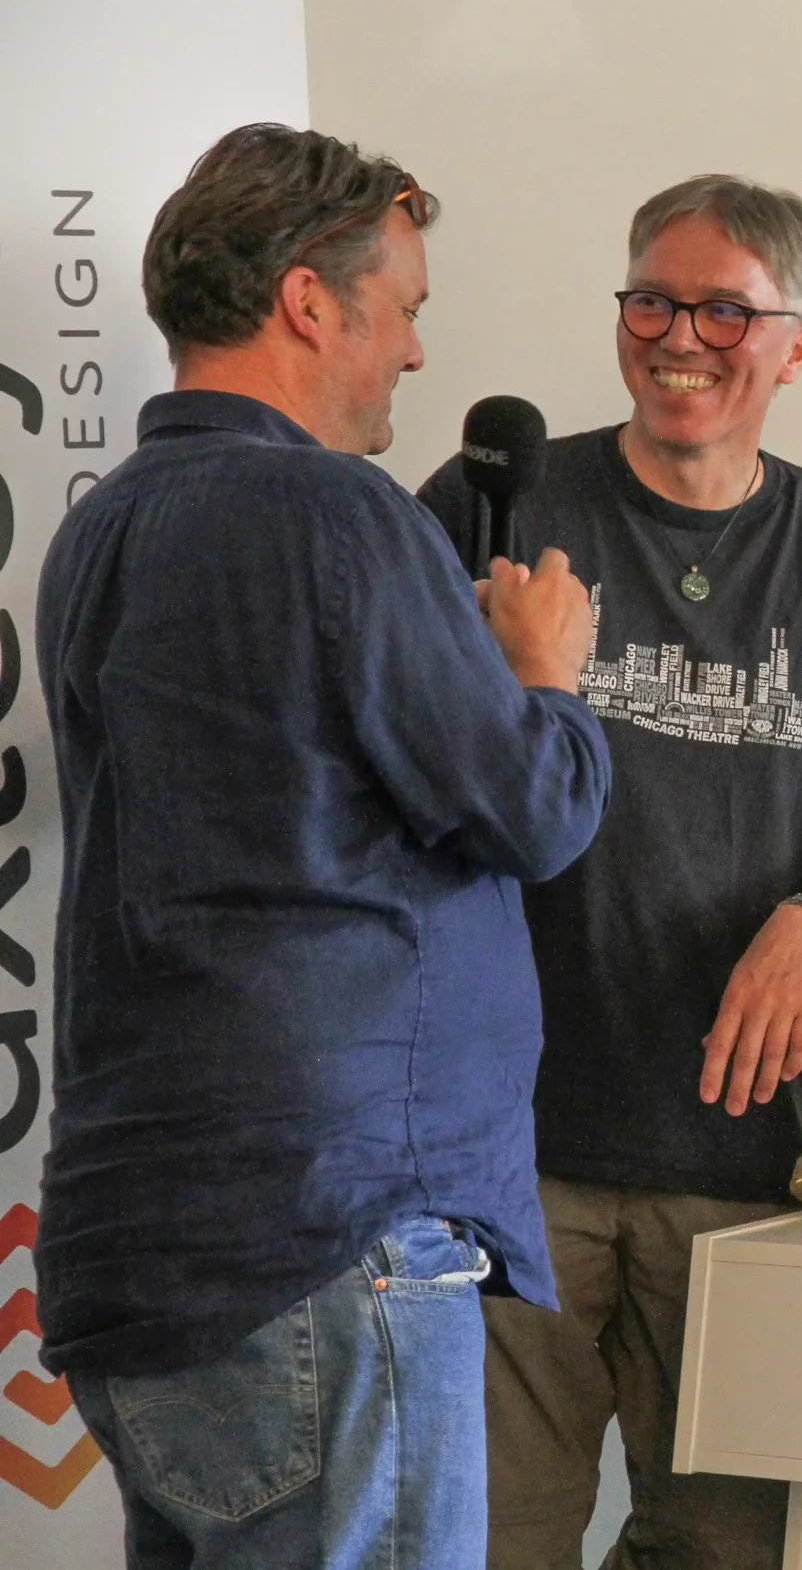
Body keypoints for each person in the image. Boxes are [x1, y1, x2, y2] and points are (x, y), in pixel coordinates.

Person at [34, 123, 611, 1569]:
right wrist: (543, 670)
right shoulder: (338, 515)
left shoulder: (97, 534)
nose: (416, 354)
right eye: (404, 307)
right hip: (330, 1235)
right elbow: (531, 807)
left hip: (144, 1254)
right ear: (309, 301)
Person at [418, 174, 802, 1569]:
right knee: (495, 1544)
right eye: (655, 299)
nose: (681, 336)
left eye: (727, 310)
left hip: (742, 1168)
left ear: (797, 342)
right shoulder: (499, 504)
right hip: (508, 1157)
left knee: (726, 1549)